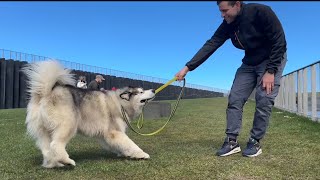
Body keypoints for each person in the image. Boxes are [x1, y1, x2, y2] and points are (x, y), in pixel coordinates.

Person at [175, 1, 287, 157]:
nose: (222, 15)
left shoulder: (260, 11)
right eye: (220, 11)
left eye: (225, 10)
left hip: (271, 60)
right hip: (249, 62)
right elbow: (212, 44)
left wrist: (271, 70)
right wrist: (187, 67)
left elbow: (279, 41)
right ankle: (231, 141)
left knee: (263, 98)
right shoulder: (228, 24)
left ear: (237, 5)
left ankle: (255, 141)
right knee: (235, 98)